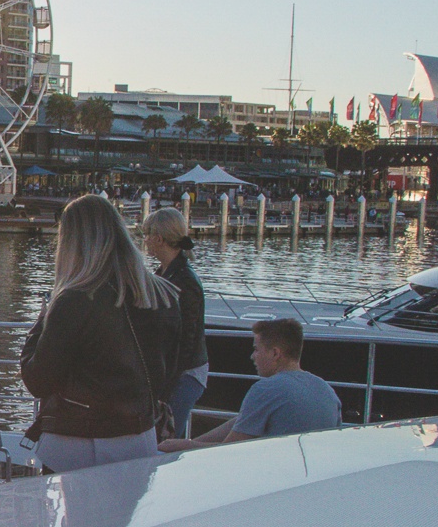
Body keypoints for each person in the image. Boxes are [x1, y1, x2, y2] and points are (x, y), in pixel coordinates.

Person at [20, 194, 183, 472]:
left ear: (71, 242)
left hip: (78, 443)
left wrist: (43, 319)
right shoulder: (162, 294)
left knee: (74, 517)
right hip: (139, 437)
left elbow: (38, 379)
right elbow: (171, 367)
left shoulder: (75, 299)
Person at [159, 318, 341, 451]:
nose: (252, 356)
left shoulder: (266, 389)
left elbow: (230, 451)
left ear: (275, 353)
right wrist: (193, 441)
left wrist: (183, 446)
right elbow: (242, 422)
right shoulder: (327, 391)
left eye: (256, 349)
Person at [140, 207, 209, 438]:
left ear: (159, 239)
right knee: (163, 434)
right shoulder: (165, 274)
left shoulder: (184, 280)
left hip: (185, 373)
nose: (145, 240)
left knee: (166, 436)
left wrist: (166, 385)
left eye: (147, 235)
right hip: (172, 372)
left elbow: (186, 340)